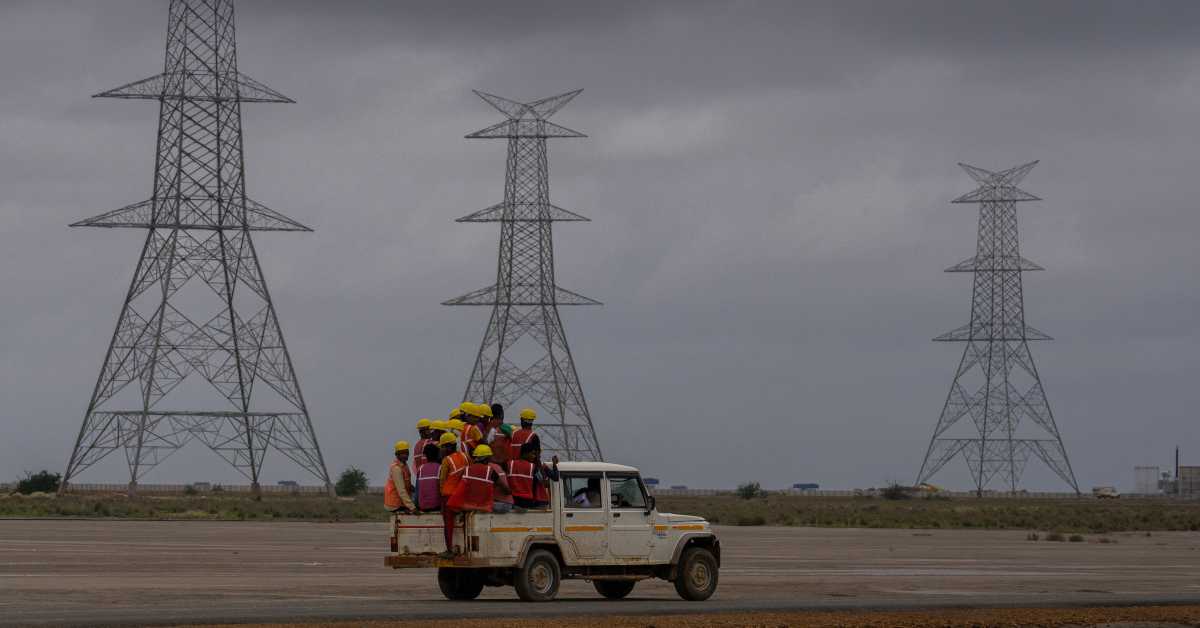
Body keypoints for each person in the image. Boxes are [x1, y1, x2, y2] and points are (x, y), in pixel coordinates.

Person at [447, 445, 512, 514]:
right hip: (490, 505)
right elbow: (507, 491)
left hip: (472, 505)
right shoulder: (490, 471)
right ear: (487, 458)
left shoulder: (467, 469)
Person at [437, 432, 468, 558]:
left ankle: (449, 550)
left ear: (449, 447)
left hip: (448, 497)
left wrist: (441, 500)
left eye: (442, 447)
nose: (441, 450)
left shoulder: (446, 460)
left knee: (448, 524)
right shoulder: (465, 456)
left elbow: (442, 481)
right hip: (462, 496)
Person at [508, 442, 559, 509]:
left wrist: (553, 465)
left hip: (531, 501)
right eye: (533, 454)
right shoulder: (535, 467)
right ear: (525, 453)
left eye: (537, 455)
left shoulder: (539, 467)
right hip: (534, 501)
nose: (535, 456)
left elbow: (554, 478)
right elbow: (546, 481)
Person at [383, 440, 415, 513]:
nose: (405, 455)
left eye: (407, 453)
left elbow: (406, 483)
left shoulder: (404, 465)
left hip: (400, 502)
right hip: (394, 504)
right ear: (397, 454)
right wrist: (412, 507)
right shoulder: (396, 468)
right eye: (402, 453)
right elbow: (401, 491)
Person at [415, 443, 442, 512]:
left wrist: (416, 506)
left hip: (423, 506)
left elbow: (417, 491)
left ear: (426, 456)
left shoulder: (420, 468)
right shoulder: (440, 468)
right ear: (437, 455)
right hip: (437, 506)